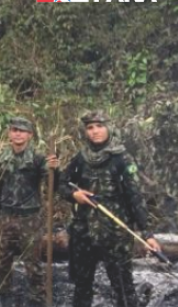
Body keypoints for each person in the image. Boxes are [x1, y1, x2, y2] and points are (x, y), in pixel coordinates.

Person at [59, 111, 161, 307]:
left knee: (123, 287)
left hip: (115, 233)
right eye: (90, 127)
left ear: (109, 127)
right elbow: (62, 184)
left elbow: (135, 198)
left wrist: (147, 234)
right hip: (84, 232)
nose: (95, 131)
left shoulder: (122, 158)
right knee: (81, 287)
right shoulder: (81, 158)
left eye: (99, 126)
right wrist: (74, 196)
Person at [0, 117, 58, 304]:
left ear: (29, 135)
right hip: (6, 217)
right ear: (9, 133)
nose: (18, 133)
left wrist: (54, 170)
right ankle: (5, 296)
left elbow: (53, 185)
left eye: (22, 130)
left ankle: (38, 299)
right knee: (2, 263)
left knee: (33, 264)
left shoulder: (38, 158)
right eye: (14, 130)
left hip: (30, 218)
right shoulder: (3, 156)